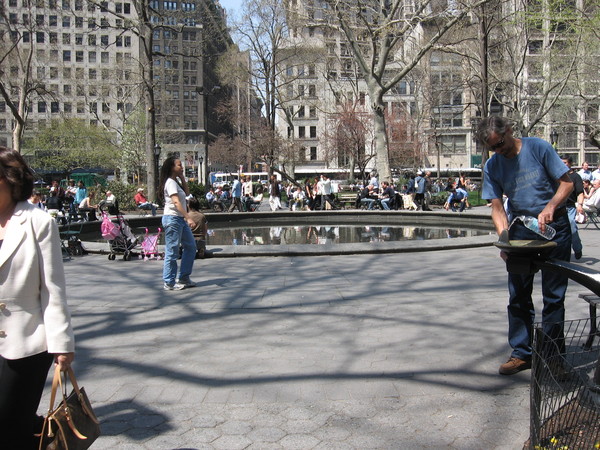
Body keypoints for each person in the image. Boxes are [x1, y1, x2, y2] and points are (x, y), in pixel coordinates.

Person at [478, 116, 573, 376]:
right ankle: (522, 353)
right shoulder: (493, 165)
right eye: (494, 149)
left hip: (555, 227)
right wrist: (504, 239)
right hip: (522, 228)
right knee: (518, 296)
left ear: (509, 130)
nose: (499, 151)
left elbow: (567, 183)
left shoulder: (539, 147)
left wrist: (551, 207)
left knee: (554, 297)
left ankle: (553, 357)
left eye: (501, 145)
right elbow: (497, 209)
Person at [0, 146, 75, 449]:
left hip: (26, 342)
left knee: (8, 421)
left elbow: (53, 289)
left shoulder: (38, 222)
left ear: (10, 180)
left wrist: (63, 345)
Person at [158, 156, 197, 291]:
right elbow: (176, 202)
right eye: (179, 165)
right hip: (173, 219)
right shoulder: (170, 183)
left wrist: (182, 178)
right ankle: (169, 282)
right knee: (172, 251)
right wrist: (188, 217)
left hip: (179, 219)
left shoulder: (175, 182)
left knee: (191, 246)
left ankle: (184, 278)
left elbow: (187, 194)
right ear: (171, 167)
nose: (182, 167)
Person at [560, 155, 584, 259]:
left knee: (571, 225)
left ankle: (577, 248)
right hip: (558, 207)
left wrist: (580, 205)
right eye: (561, 162)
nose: (563, 164)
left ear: (570, 164)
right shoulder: (556, 175)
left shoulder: (575, 177)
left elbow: (580, 193)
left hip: (569, 207)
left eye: (565, 162)